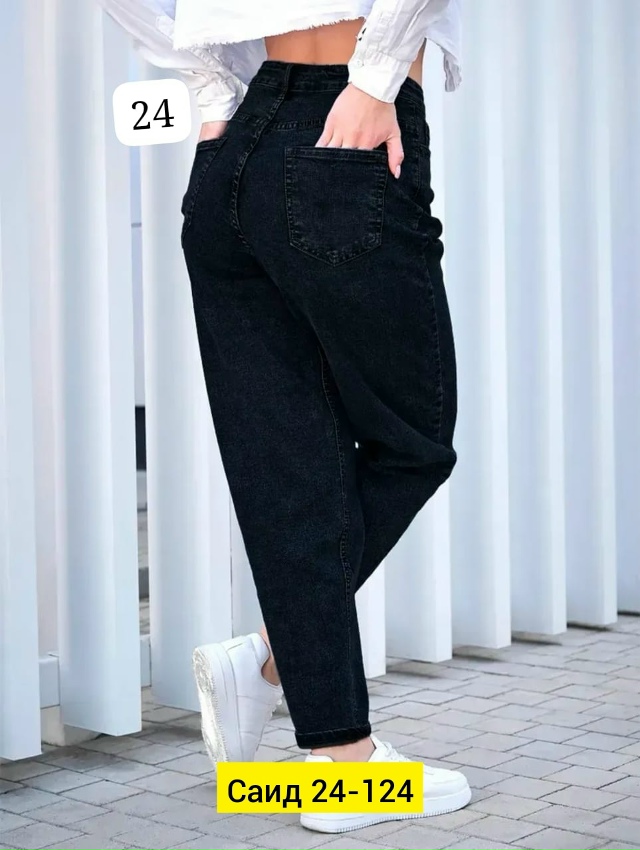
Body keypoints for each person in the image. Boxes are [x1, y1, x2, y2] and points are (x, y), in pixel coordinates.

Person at [100, 0, 470, 833]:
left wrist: (211, 88)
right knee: (414, 440)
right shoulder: (365, 94)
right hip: (347, 128)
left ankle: (337, 758)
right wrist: (375, 80)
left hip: (235, 148)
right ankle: (282, 677)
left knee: (289, 466)